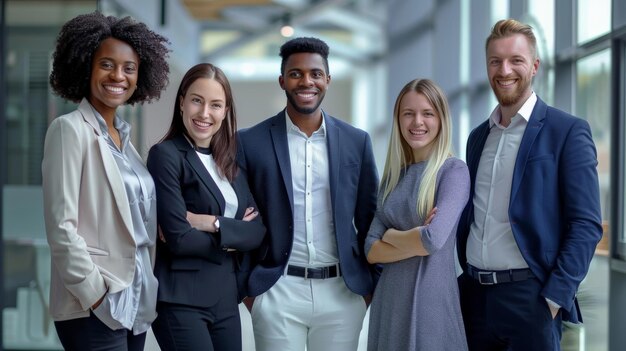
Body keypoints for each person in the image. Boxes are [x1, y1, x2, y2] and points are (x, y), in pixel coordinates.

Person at [456, 18, 603, 350]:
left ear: (534, 66)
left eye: (515, 60)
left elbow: (586, 223)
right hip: (475, 299)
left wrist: (554, 297)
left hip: (531, 300)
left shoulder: (567, 131)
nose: (504, 69)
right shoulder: (478, 138)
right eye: (496, 61)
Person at [237, 37, 379, 351]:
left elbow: (371, 220)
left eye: (315, 73)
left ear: (327, 80)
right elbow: (243, 219)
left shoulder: (357, 141)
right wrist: (252, 292)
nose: (306, 81)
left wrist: (369, 288)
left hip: (342, 293)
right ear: (282, 80)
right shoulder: (249, 142)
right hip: (277, 291)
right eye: (296, 73)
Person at [42, 11, 170, 351]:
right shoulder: (69, 130)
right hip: (94, 306)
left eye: (129, 68)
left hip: (137, 301)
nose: (119, 76)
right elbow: (61, 227)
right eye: (107, 65)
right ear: (86, 68)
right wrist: (97, 297)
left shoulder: (126, 143)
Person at [146, 63, 266, 351]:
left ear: (225, 112)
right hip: (181, 300)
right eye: (197, 100)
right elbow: (178, 238)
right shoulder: (166, 156)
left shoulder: (230, 163)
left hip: (225, 299)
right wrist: (233, 238)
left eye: (215, 105)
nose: (204, 113)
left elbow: (257, 233)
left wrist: (212, 223)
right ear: (182, 102)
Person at [365, 78, 470, 351]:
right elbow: (371, 250)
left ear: (441, 118)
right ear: (398, 120)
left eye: (427, 113)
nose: (417, 122)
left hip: (430, 303)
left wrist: (390, 234)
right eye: (408, 113)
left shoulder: (453, 172)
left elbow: (432, 240)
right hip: (389, 302)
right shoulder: (392, 178)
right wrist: (412, 237)